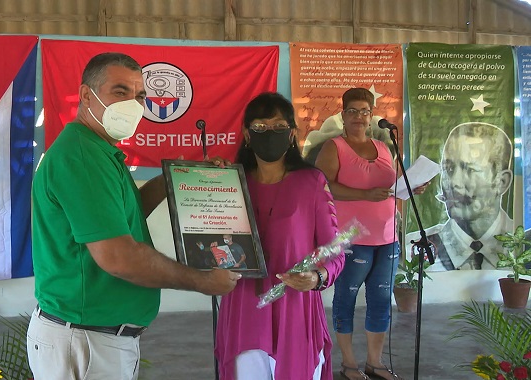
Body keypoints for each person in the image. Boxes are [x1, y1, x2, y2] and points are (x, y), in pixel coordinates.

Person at [27, 52, 240, 380]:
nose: (133, 104)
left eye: (139, 95)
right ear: (86, 95)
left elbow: (119, 218)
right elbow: (119, 257)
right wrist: (201, 280)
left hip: (93, 336)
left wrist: (173, 180)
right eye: (120, 92)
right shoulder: (83, 158)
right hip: (86, 339)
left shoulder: (96, 150)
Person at [214, 92, 345, 380]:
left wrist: (318, 277)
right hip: (244, 309)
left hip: (295, 309)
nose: (269, 133)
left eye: (278, 126)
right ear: (247, 135)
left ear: (291, 134)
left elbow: (334, 250)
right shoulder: (230, 182)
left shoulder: (312, 182)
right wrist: (209, 180)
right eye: (260, 127)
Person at [315, 88, 427, 380]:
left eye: (364, 111)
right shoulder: (333, 147)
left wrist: (410, 188)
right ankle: (349, 363)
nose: (358, 117)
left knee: (381, 300)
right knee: (346, 300)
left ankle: (374, 362)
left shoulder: (384, 147)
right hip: (352, 240)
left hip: (387, 238)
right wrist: (363, 193)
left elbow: (391, 189)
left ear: (371, 115)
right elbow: (321, 186)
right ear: (343, 115)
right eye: (352, 111)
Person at [405, 122, 513, 271]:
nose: (454, 182)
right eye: (448, 168)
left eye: (469, 169)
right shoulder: (413, 248)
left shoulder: (522, 245)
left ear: (501, 182)